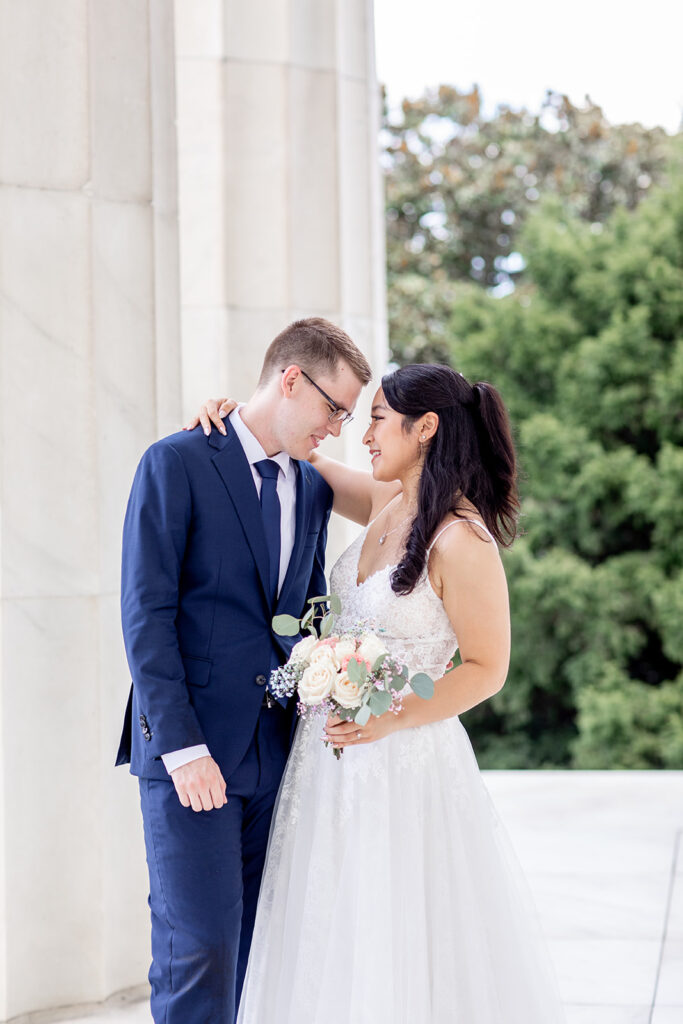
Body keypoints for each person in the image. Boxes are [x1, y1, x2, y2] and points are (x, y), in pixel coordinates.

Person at [193, 364, 566, 1023]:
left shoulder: (461, 538)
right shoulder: (387, 502)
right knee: (323, 933)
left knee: (392, 936)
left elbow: (486, 667)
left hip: (402, 767)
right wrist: (228, 420)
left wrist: (389, 720)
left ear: (424, 427)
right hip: (327, 768)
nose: (361, 434)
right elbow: (295, 454)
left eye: (375, 417)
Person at [117, 317, 372, 1023]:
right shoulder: (175, 463)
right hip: (192, 756)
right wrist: (181, 747)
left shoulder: (314, 491)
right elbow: (147, 615)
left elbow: (302, 611)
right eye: (334, 410)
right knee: (196, 948)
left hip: (279, 758)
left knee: (259, 951)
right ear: (291, 379)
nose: (337, 428)